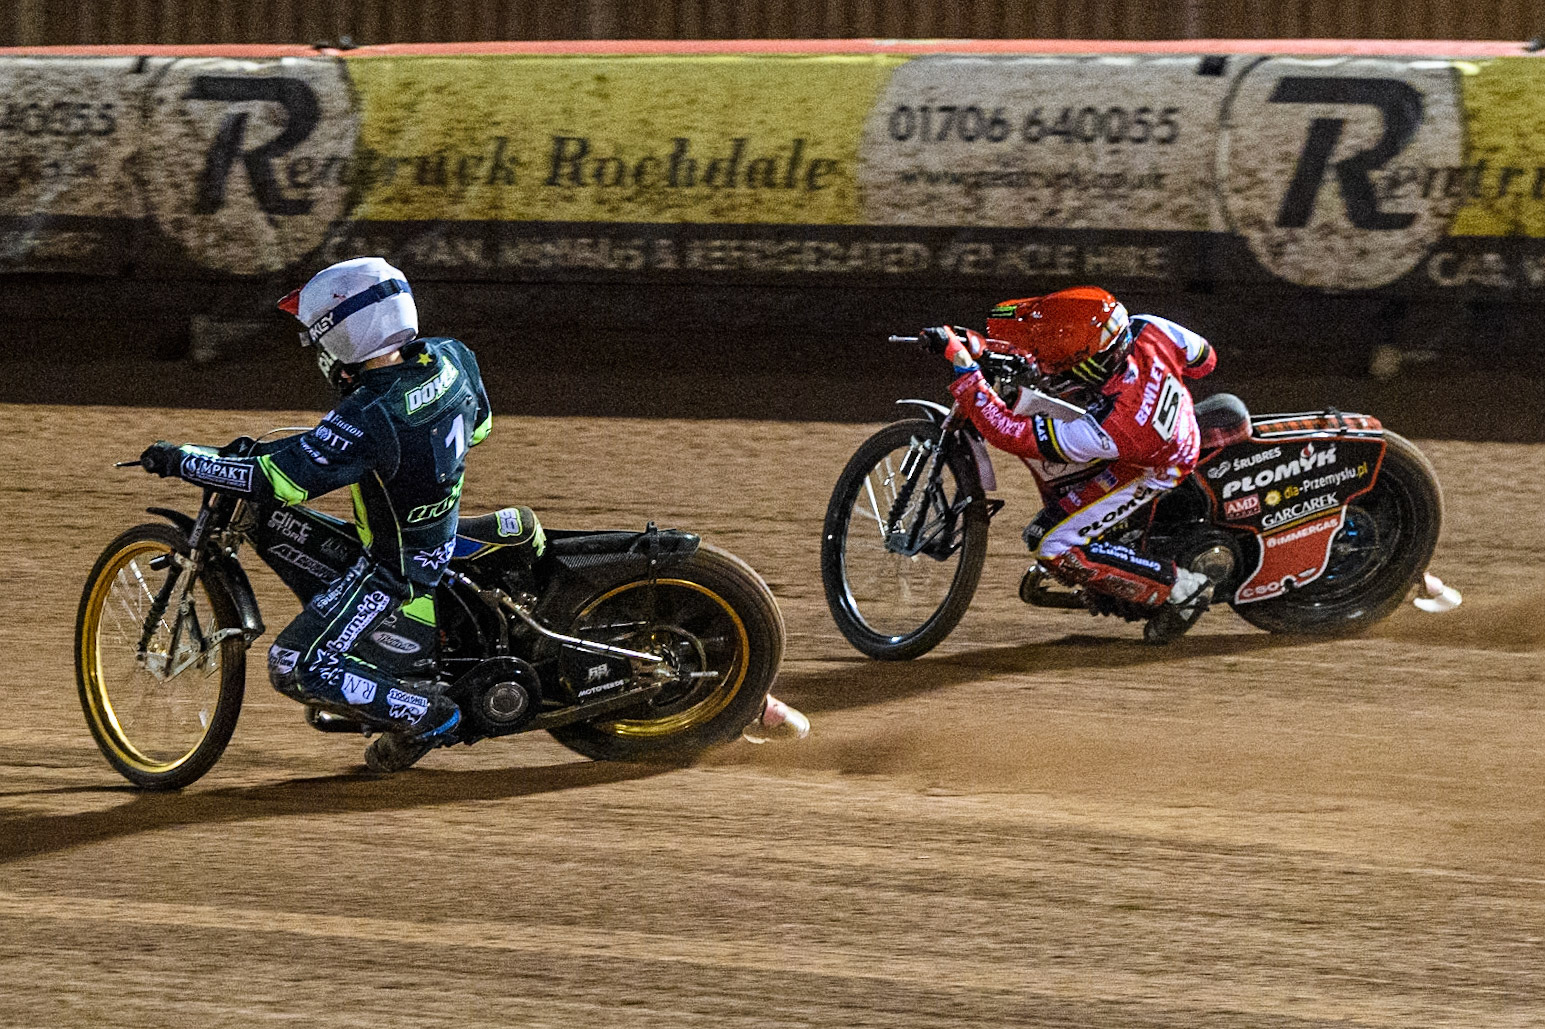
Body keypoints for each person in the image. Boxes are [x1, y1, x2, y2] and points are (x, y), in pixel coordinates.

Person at [139, 256, 492, 771]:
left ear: (347, 336)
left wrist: (183, 460)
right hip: (433, 532)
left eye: (319, 338)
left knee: (295, 665)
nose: (318, 352)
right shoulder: (451, 356)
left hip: (395, 569)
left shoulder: (372, 414)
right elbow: (479, 426)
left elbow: (276, 482)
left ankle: (431, 716)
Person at [922, 286, 1218, 643]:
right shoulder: (1146, 327)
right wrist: (981, 347)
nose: (1052, 367)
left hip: (1153, 466)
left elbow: (1012, 433)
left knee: (1052, 544)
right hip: (1167, 425)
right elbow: (1205, 360)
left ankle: (1181, 590)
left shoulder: (1111, 427)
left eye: (1066, 365)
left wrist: (969, 376)